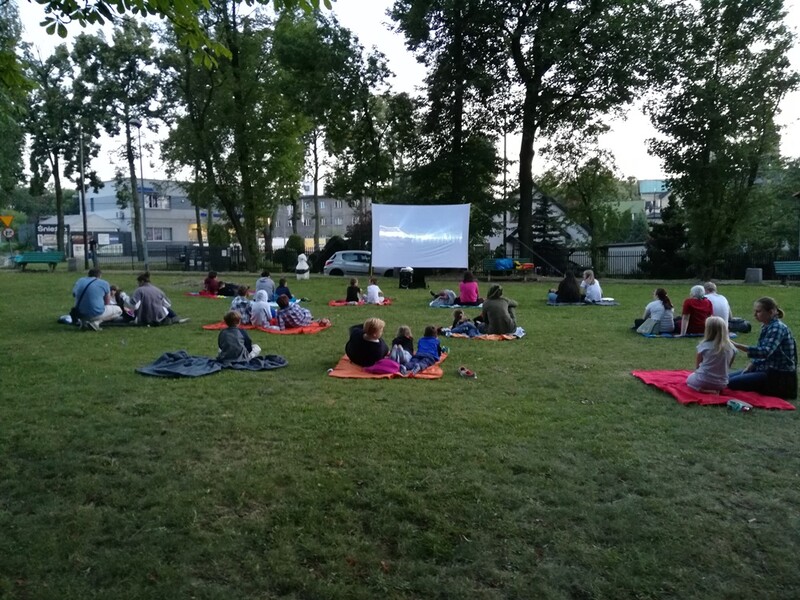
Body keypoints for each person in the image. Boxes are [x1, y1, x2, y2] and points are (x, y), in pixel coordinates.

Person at [729, 297, 798, 399]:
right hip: (766, 369)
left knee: (730, 383)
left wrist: (737, 345)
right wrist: (752, 365)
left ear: (770, 312)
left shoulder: (777, 328)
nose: (755, 315)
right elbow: (762, 351)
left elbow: (765, 352)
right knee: (726, 378)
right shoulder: (767, 326)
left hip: (778, 376)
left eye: (758, 311)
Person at [686, 316, 737, 393]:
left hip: (702, 380)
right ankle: (714, 390)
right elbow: (728, 366)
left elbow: (697, 366)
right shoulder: (732, 348)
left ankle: (703, 390)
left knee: (689, 380)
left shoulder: (704, 346)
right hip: (722, 383)